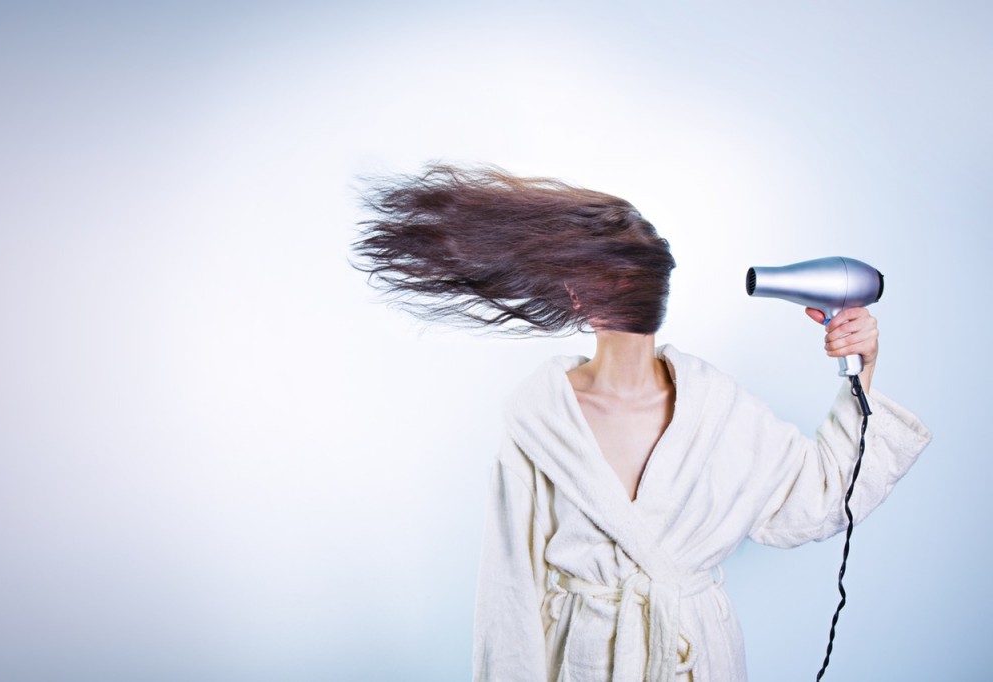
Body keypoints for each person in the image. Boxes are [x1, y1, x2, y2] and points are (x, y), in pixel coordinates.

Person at [352, 164, 932, 682]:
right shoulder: (541, 421)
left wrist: (865, 371)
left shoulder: (717, 411)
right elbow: (509, 596)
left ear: (576, 295)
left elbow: (819, 502)